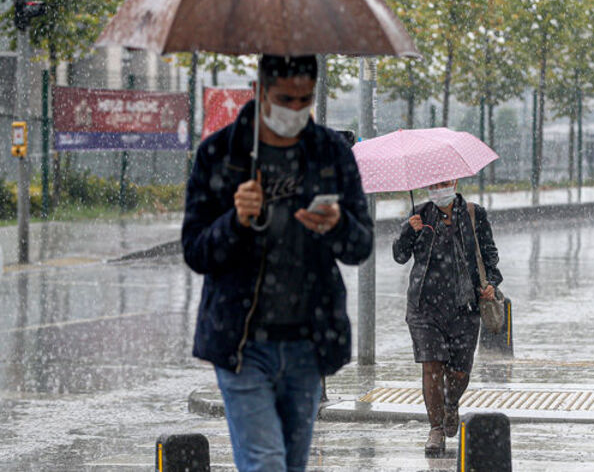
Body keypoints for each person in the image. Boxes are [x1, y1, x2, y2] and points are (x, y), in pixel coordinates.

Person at [182, 54, 372, 472]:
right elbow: (196, 251)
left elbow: (361, 246)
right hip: (241, 344)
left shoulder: (331, 153)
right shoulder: (220, 155)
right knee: (265, 463)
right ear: (261, 92)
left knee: (290, 463)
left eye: (304, 100)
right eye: (285, 99)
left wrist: (337, 225)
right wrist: (236, 221)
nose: (295, 110)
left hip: (307, 341)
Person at [392, 179, 502, 453]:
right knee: (431, 366)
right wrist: (408, 230)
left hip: (464, 307)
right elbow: (399, 255)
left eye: (444, 183)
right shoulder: (420, 214)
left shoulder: (475, 214)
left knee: (460, 371)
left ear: (454, 182)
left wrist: (491, 284)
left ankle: (451, 403)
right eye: (433, 184)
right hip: (424, 307)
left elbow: (490, 256)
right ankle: (436, 429)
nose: (438, 188)